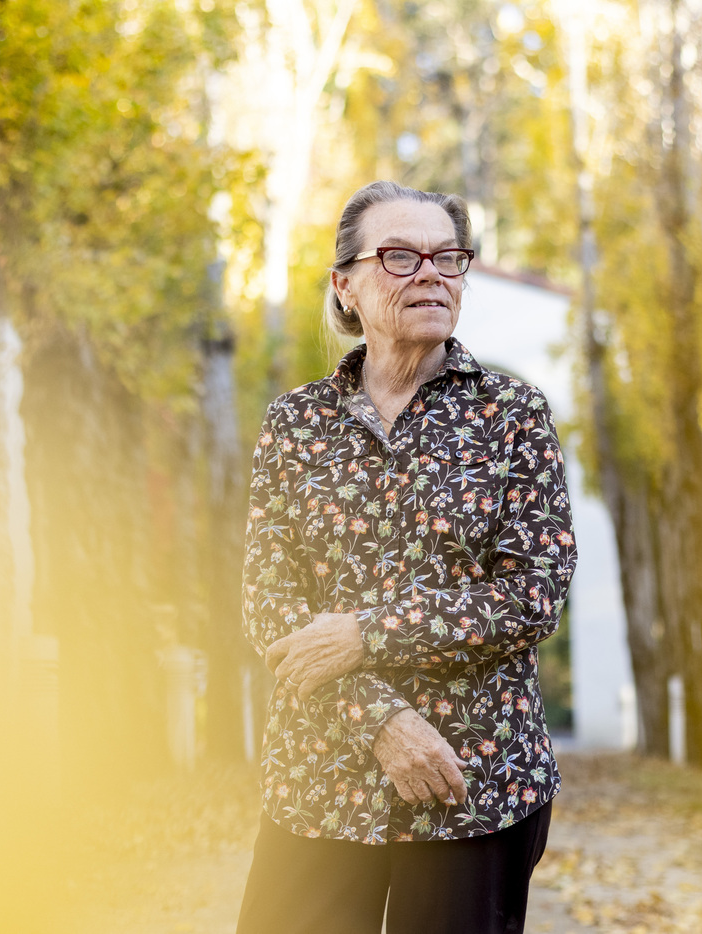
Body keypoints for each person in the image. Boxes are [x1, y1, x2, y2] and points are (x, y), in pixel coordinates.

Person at [235, 180, 577, 934]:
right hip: (318, 779)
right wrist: (380, 721)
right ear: (345, 286)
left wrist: (368, 634)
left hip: (475, 783)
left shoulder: (513, 414)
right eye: (399, 256)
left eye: (448, 256)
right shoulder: (297, 424)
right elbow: (270, 602)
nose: (430, 272)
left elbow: (532, 591)